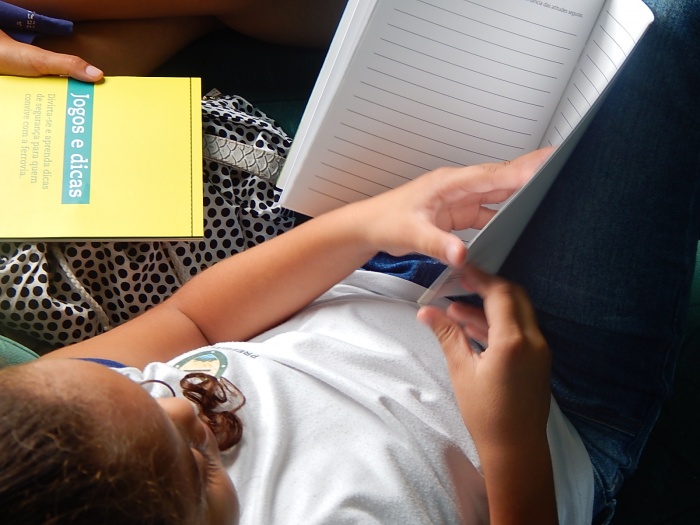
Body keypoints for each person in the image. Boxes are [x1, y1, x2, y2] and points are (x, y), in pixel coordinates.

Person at [0, 1, 698, 524]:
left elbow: (195, 318)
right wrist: (511, 440)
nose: (180, 403)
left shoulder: (57, 411)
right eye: (195, 465)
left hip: (394, 277)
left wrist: (372, 222)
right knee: (665, 24)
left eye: (151, 390)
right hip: (557, 408)